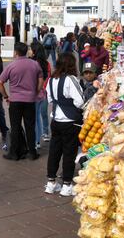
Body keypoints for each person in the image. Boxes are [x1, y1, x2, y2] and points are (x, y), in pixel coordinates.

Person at [44, 53, 84, 197]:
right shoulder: (71, 79)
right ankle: (67, 184)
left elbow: (49, 99)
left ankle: (51, 182)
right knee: (69, 152)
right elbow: (80, 100)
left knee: (54, 152)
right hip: (70, 121)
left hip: (56, 119)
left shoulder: (51, 80)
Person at [0, 42, 43, 161]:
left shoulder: (11, 66)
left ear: (16, 52)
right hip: (30, 100)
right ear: (26, 51)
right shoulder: (35, 64)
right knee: (30, 126)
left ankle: (14, 153)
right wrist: (36, 92)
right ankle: (32, 152)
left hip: (15, 101)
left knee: (15, 126)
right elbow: (40, 80)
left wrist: (6, 96)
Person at [31, 43, 51, 148]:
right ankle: (41, 137)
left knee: (35, 117)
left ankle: (36, 140)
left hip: (35, 92)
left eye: (31, 49)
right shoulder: (46, 63)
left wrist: (39, 87)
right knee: (41, 114)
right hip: (43, 92)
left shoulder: (32, 63)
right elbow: (48, 76)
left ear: (34, 51)